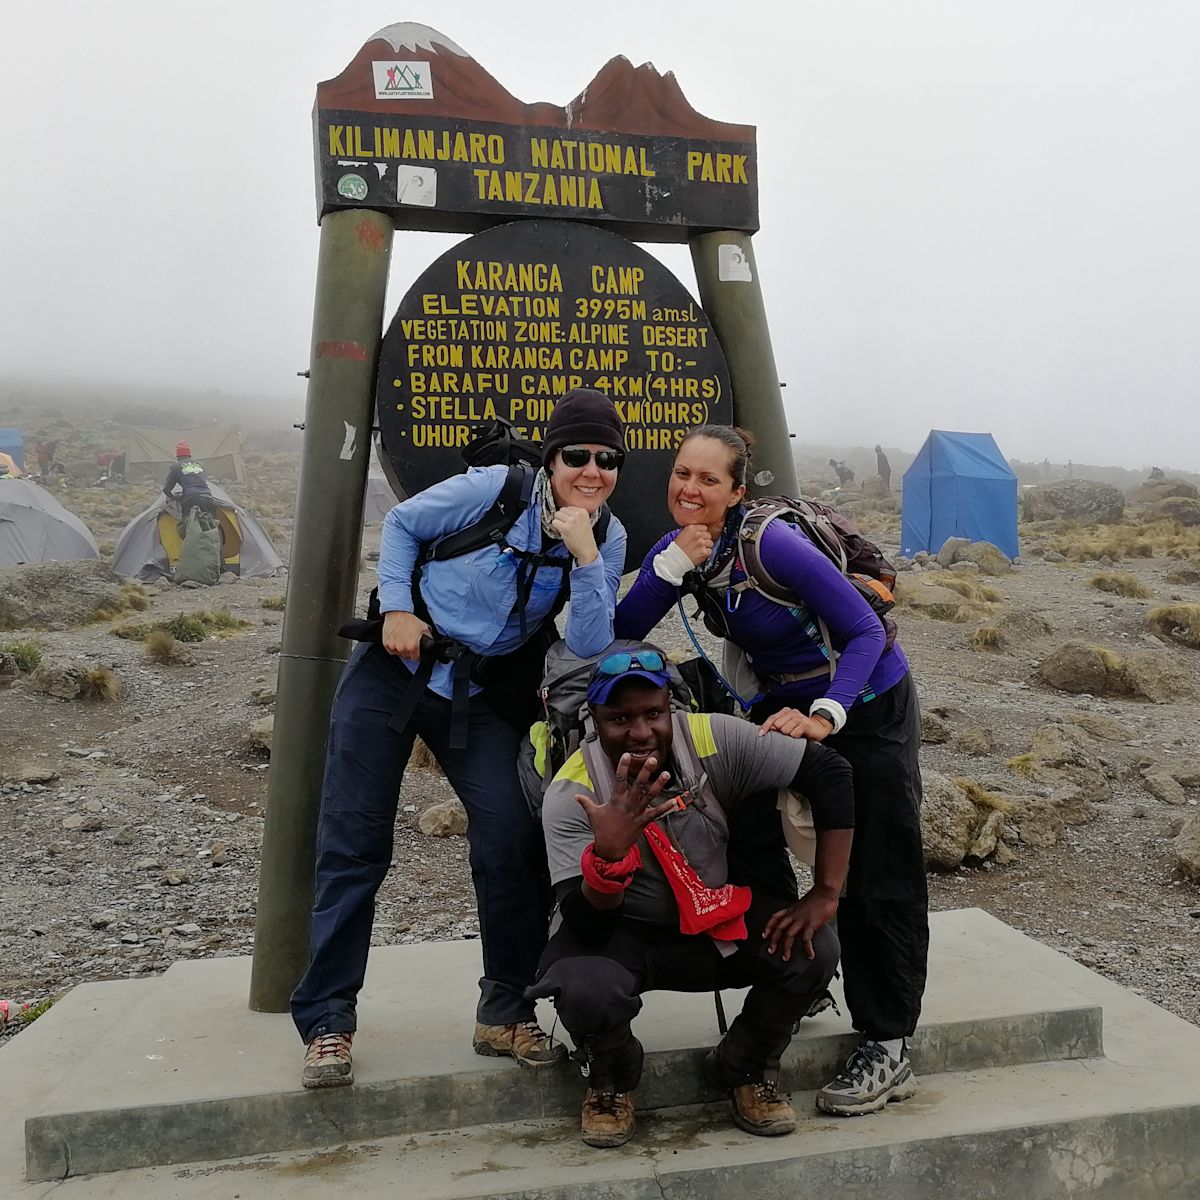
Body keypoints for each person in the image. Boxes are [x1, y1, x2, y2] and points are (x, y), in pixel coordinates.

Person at [291, 389, 629, 1089]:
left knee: (511, 839)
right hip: (396, 673)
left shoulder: (605, 534)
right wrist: (397, 610)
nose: (591, 470)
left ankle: (504, 1012)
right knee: (353, 844)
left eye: (608, 459)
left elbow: (593, 642)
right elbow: (404, 528)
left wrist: (588, 555)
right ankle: (327, 1023)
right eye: (576, 455)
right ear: (550, 455)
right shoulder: (492, 490)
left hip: (478, 695)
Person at [615, 425, 928, 1118]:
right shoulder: (685, 548)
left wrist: (827, 715)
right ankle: (800, 968)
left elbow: (867, 632)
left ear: (734, 490)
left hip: (866, 704)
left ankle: (889, 1039)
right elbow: (622, 629)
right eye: (681, 474)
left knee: (877, 870)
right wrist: (668, 569)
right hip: (786, 709)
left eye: (707, 480)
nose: (689, 489)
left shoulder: (771, 545)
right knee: (754, 839)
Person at [531, 648, 855, 1147]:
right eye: (619, 718)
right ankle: (612, 1078)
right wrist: (608, 859)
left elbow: (829, 773)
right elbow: (586, 926)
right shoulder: (572, 793)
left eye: (653, 713)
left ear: (672, 708)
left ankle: (743, 1067)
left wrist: (826, 892)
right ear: (593, 720)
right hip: (625, 933)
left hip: (712, 918)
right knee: (581, 987)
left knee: (815, 948)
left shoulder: (711, 736)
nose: (640, 733)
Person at [162, 441, 216, 519]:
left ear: (177, 456)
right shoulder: (199, 465)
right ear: (189, 454)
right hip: (207, 497)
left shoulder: (175, 467)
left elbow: (166, 489)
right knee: (211, 523)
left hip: (190, 498)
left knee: (189, 526)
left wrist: (174, 498)